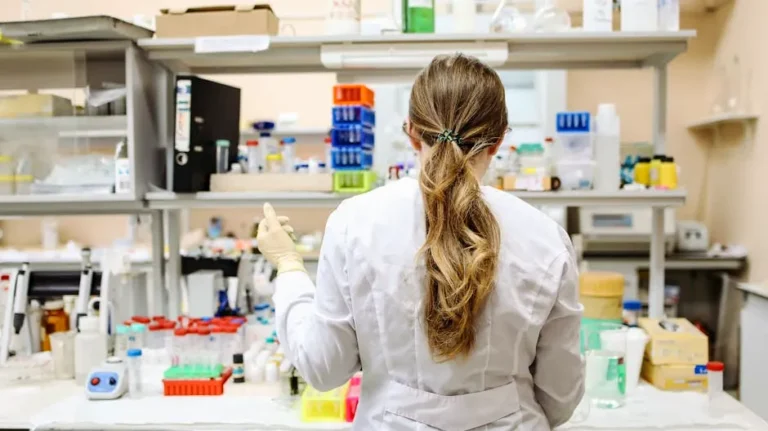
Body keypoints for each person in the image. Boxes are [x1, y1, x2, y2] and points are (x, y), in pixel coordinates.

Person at [257, 54, 584, 430]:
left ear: (411, 132)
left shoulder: (356, 222)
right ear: (498, 140)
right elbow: (561, 393)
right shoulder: (545, 236)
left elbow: (323, 367)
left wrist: (288, 266)